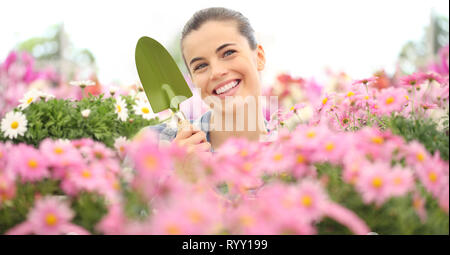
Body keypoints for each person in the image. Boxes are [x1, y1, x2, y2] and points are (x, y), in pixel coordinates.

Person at [149, 7, 270, 155]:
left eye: (228, 52)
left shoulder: (293, 151)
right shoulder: (154, 144)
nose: (217, 72)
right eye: (201, 66)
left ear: (259, 57)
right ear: (193, 80)